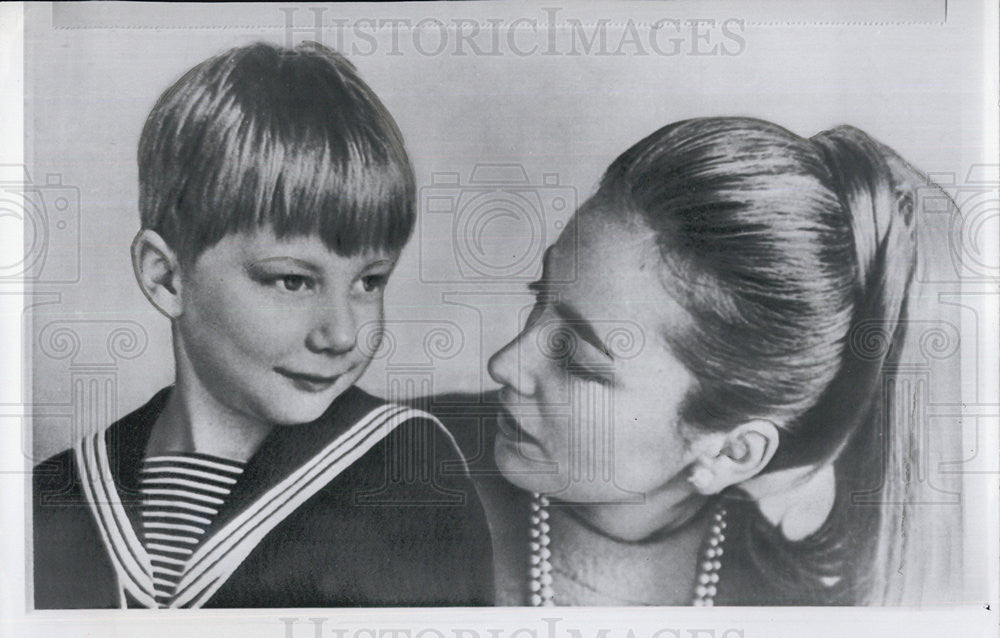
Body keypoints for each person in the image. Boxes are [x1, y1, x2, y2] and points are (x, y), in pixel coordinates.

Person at [32, 42, 493, 609]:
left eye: (369, 282)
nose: (343, 334)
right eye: (293, 281)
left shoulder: (409, 476)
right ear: (166, 280)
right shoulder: (54, 495)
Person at [434, 117, 964, 606]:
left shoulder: (785, 615)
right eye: (539, 294)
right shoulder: (396, 466)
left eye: (577, 357)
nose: (505, 364)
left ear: (733, 452)